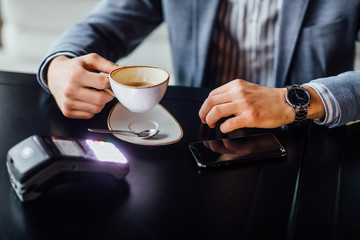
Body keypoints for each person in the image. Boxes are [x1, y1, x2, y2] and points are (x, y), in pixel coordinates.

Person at [37, 0, 360, 133]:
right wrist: (58, 65)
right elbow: (104, 28)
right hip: (200, 137)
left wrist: (299, 100)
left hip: (310, 146)